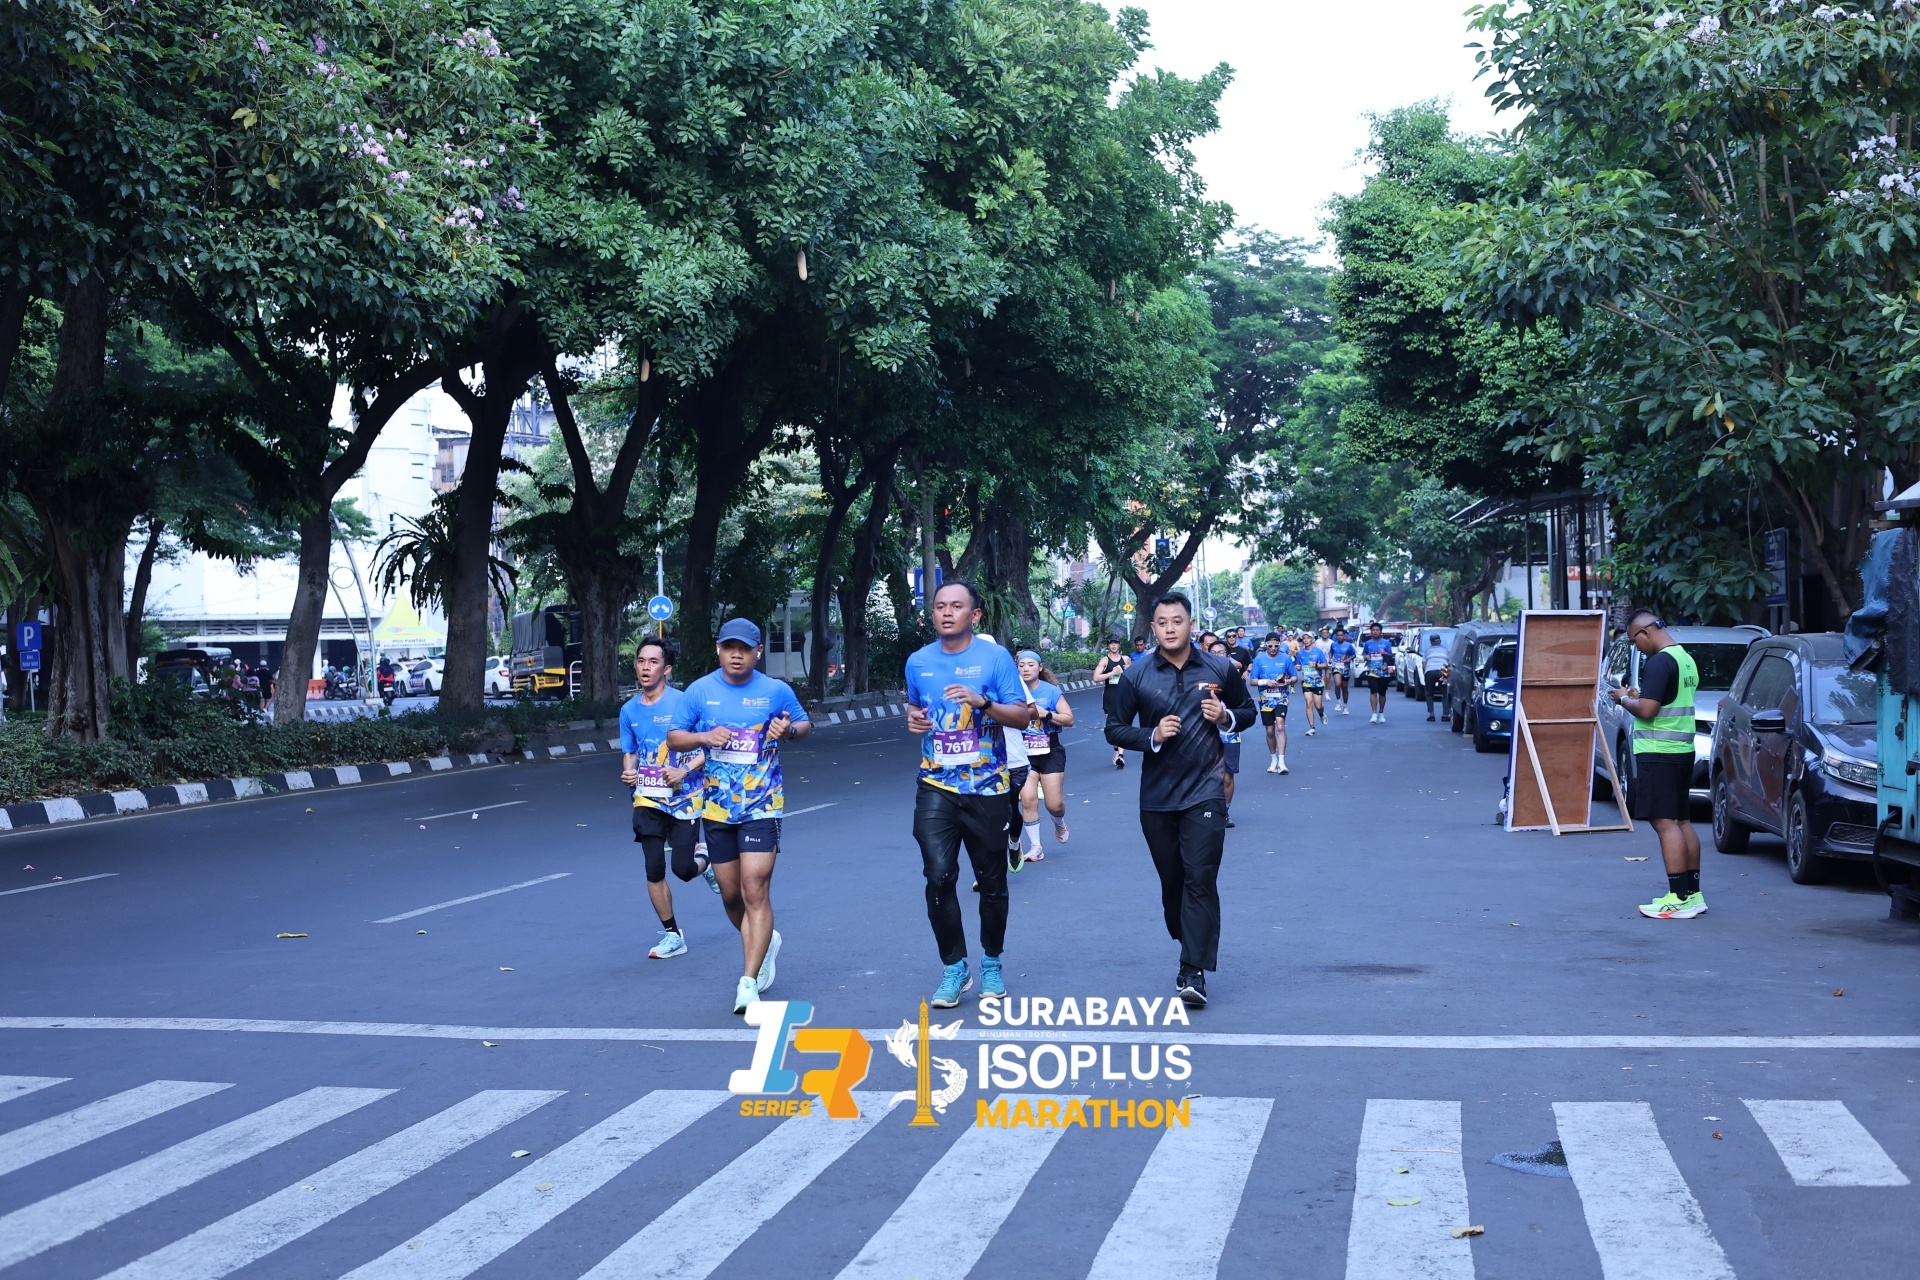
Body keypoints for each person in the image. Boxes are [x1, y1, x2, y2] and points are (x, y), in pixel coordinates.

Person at [1105, 592, 1256, 1008]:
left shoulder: (1218, 667)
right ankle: (1187, 936)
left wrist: (1225, 717)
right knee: (1174, 883)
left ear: (1191, 624)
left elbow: (1247, 711)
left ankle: (1193, 970)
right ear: (1153, 628)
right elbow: (1115, 728)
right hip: (1157, 797)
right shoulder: (1136, 675)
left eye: (1177, 620)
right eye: (1162, 622)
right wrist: (1152, 735)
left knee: (1200, 878)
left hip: (1206, 790)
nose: (1170, 628)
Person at [667, 618, 811, 1013]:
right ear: (719, 649)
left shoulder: (775, 690)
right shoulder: (700, 691)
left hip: (762, 803)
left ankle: (748, 981)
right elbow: (674, 737)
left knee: (754, 887)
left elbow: (803, 723)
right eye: (730, 647)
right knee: (731, 895)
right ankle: (765, 942)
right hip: (717, 808)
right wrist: (703, 737)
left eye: (745, 648)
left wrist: (789, 731)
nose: (737, 654)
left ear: (758, 652)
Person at [905, 581, 1033, 1007]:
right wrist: (914, 719)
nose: (947, 612)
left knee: (992, 881)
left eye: (956, 606)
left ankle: (991, 962)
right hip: (936, 784)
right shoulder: (918, 661)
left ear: (974, 615)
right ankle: (954, 967)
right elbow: (915, 707)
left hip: (987, 786)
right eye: (940, 606)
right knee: (938, 875)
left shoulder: (995, 658)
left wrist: (982, 703)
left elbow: (1022, 717)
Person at [1608, 609, 1706, 919]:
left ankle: (1677, 899)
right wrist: (1639, 695)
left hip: (1658, 751)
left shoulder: (1659, 662)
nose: (1636, 647)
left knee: (1665, 823)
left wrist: (1623, 699)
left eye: (1634, 640)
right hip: (1681, 750)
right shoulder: (1684, 658)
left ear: (1645, 633)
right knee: (1682, 821)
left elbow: (1648, 711)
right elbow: (1667, 699)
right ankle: (1693, 895)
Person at [619, 639, 711, 960]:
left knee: (683, 869)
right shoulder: (628, 710)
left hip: (685, 798)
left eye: (653, 662)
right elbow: (630, 751)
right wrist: (629, 772)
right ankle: (673, 935)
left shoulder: (684, 703)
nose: (645, 667)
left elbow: (708, 746)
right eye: (641, 661)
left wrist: (683, 771)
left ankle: (704, 860)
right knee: (653, 867)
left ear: (667, 669)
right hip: (648, 798)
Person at [1016, 649, 1074, 859]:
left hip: (1051, 751)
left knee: (1054, 804)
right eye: (1021, 665)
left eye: (1031, 665)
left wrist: (1047, 714)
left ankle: (1059, 822)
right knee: (1028, 799)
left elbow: (1069, 719)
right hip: (1024, 754)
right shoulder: (1012, 692)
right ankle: (1036, 847)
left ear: (1040, 668)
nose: (1026, 669)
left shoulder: (1050, 691)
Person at [1248, 633, 1296, 775]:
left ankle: (1282, 762)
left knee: (1280, 726)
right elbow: (1252, 681)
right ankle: (1273, 759)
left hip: (1281, 697)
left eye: (1276, 646)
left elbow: (1294, 676)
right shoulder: (1259, 659)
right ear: (1266, 644)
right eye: (1270, 646)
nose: (1273, 648)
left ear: (1280, 644)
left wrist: (1288, 681)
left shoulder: (1286, 658)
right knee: (1270, 731)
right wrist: (1266, 682)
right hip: (1265, 699)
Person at [1206, 636, 1242, 826]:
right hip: (1205, 734)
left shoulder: (1234, 678)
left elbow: (1245, 709)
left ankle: (1225, 813)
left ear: (1228, 656)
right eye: (1213, 653)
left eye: (1221, 653)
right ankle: (1206, 812)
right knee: (1207, 776)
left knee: (1227, 776)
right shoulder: (1200, 678)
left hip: (1229, 733)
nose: (1217, 656)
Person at [1093, 638, 1132, 770]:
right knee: (1112, 726)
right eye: (1111, 643)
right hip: (1110, 696)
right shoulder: (1105, 660)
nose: (1114, 645)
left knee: (1122, 725)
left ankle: (1121, 756)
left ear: (1119, 645)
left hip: (1124, 696)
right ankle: (1116, 749)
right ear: (1108, 646)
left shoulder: (1126, 659)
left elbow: (1134, 674)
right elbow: (1096, 678)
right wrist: (1112, 673)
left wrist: (1130, 669)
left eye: (1116, 643)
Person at [1360, 622, 1397, 723]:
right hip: (1371, 670)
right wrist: (1366, 657)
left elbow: (1391, 656)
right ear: (1371, 632)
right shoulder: (1368, 643)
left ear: (1380, 632)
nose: (1375, 632)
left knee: (1382, 692)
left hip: (1383, 671)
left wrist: (1385, 653)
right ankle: (1374, 713)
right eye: (1373, 630)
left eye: (1377, 630)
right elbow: (1364, 654)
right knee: (1373, 690)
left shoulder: (1386, 643)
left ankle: (1381, 713)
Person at [1298, 634, 1328, 736]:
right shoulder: (1300, 653)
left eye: (1308, 638)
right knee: (1309, 702)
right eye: (1304, 638)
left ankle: (1321, 713)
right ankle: (1312, 727)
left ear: (1312, 640)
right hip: (1306, 681)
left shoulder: (1318, 651)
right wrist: (1298, 667)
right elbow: (1298, 665)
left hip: (1317, 681)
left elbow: (1325, 664)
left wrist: (1316, 665)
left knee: (1318, 705)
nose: (1306, 640)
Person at [1327, 628, 1357, 714]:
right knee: (1337, 684)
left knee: (1344, 688)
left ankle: (1345, 706)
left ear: (1344, 636)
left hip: (1345, 667)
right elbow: (1331, 652)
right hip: (1336, 666)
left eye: (1341, 635)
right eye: (1338, 635)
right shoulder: (1333, 644)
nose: (1340, 637)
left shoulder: (1349, 645)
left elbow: (1354, 655)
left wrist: (1348, 659)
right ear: (1336, 636)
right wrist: (1330, 659)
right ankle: (1338, 702)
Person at [1421, 632, 1448, 722]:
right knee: (1445, 693)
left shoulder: (1427, 651)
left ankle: (1431, 714)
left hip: (1430, 672)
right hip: (1442, 672)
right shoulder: (1445, 650)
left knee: (1429, 693)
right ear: (1440, 641)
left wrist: (1425, 674)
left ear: (1430, 642)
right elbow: (1449, 663)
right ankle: (1445, 715)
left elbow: (1424, 664)